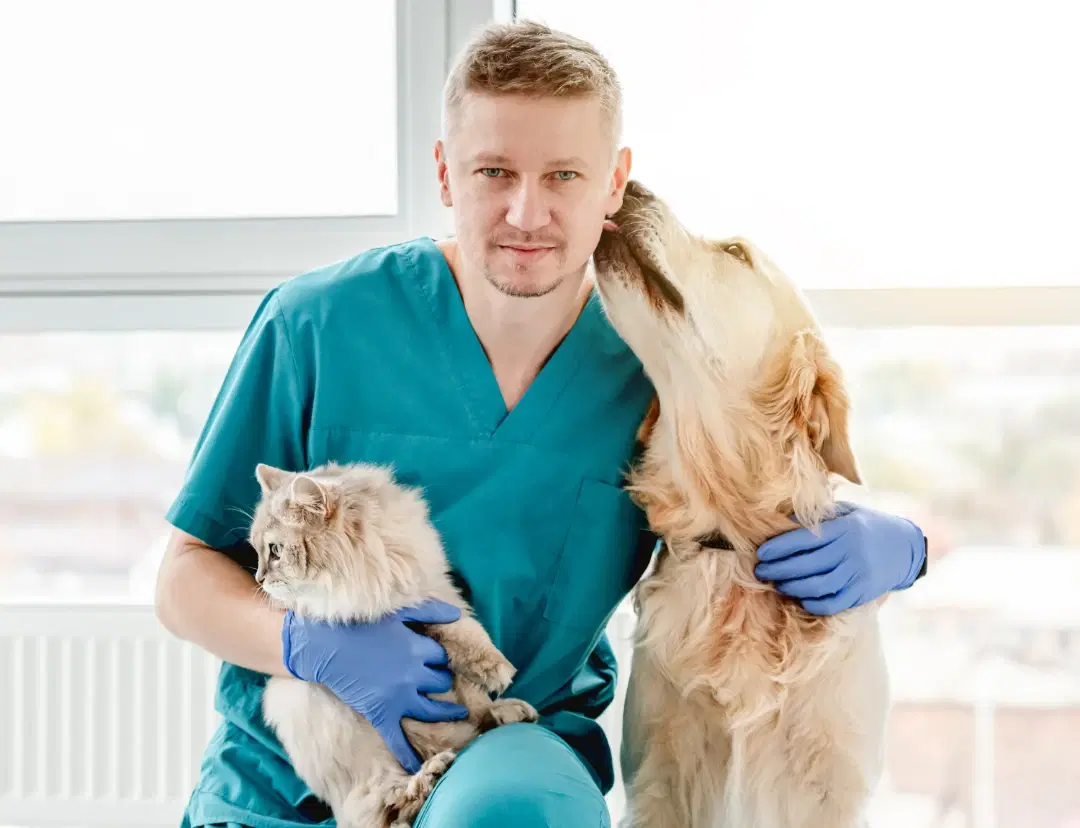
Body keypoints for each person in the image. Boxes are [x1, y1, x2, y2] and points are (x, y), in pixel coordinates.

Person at [154, 19, 928, 828]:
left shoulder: (649, 364)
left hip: (504, 760)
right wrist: (307, 648)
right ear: (446, 173)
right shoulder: (317, 325)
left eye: (564, 174)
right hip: (288, 775)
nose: (528, 213)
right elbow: (183, 576)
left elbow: (742, 507)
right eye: (495, 172)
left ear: (615, 183)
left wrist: (901, 551)